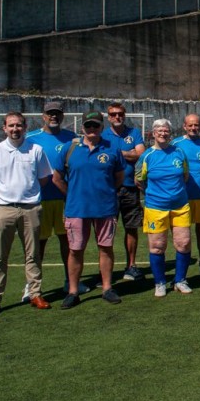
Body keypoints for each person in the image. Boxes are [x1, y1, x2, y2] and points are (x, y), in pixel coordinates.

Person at [0, 113, 53, 318]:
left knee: (33, 254)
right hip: (3, 209)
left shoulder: (36, 150)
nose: (15, 129)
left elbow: (44, 178)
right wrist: (5, 196)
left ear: (25, 127)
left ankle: (35, 294)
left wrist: (27, 195)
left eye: (19, 125)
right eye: (11, 126)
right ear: (4, 128)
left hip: (31, 209)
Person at [53, 111, 126, 309]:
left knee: (106, 248)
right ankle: (73, 291)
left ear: (102, 127)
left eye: (95, 125)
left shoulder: (112, 148)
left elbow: (119, 177)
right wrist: (72, 195)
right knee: (75, 250)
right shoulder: (70, 148)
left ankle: (107, 288)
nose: (92, 129)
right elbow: (57, 178)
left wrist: (107, 192)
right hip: (76, 209)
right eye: (88, 126)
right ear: (82, 127)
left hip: (105, 208)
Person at [25, 101, 89, 300]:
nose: (54, 117)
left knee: (69, 243)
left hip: (65, 200)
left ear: (63, 116)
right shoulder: (30, 139)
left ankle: (70, 281)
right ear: (43, 115)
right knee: (38, 245)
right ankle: (32, 286)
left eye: (57, 113)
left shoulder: (73, 138)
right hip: (39, 200)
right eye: (50, 113)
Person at [136, 119, 192, 297]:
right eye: (159, 130)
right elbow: (139, 180)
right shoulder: (147, 156)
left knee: (183, 243)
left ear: (170, 133)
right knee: (157, 246)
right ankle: (159, 282)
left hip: (180, 206)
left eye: (166, 130)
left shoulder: (179, 152)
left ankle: (180, 280)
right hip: (155, 207)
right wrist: (156, 194)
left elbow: (185, 175)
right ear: (153, 134)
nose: (163, 133)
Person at [101, 102, 146, 281]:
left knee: (132, 227)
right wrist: (129, 153)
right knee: (106, 231)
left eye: (120, 114)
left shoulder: (133, 133)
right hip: (108, 189)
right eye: (113, 114)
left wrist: (117, 153)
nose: (117, 117)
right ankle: (106, 271)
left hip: (130, 188)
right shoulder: (102, 135)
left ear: (124, 115)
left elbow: (141, 154)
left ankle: (131, 266)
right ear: (108, 116)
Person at [172, 114, 200, 280]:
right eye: (190, 125)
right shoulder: (176, 144)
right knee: (182, 234)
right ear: (184, 126)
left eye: (196, 125)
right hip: (182, 197)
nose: (194, 128)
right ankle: (182, 269)